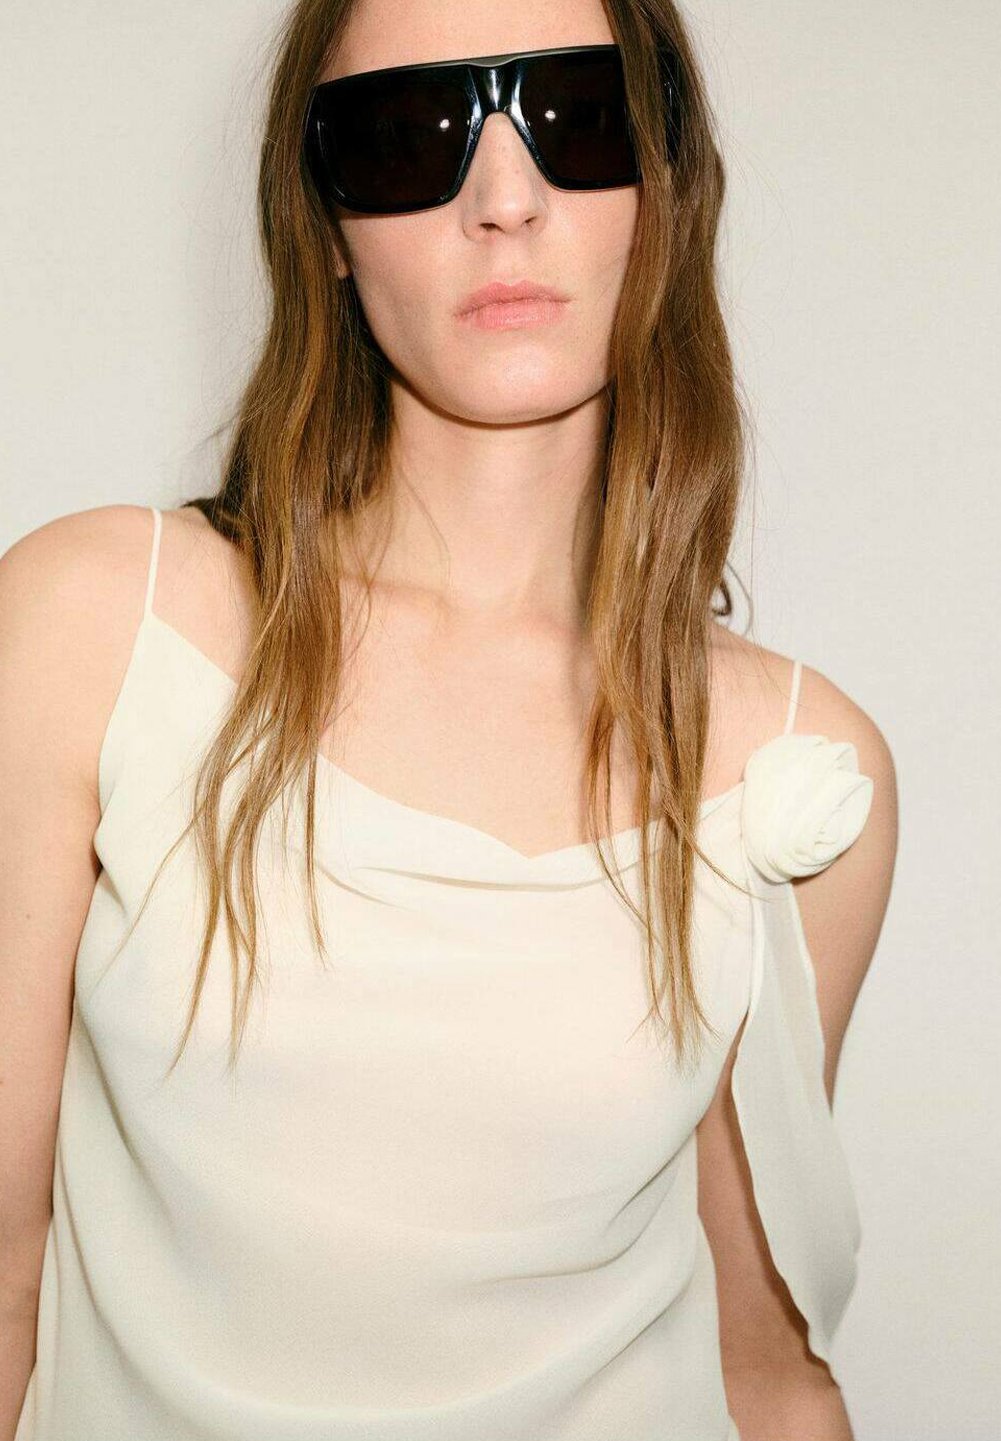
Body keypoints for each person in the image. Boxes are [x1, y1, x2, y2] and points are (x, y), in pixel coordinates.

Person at [0, 0, 898, 1438]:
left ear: (666, 191)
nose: (505, 197)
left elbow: (765, 1371)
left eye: (578, 118)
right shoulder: (95, 626)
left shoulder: (789, 764)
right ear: (325, 223)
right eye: (407, 134)